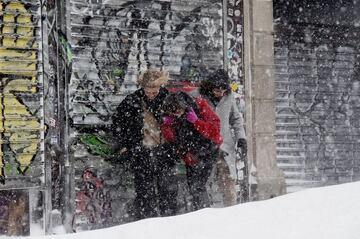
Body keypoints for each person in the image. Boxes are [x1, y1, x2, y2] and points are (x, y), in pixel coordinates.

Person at [111, 69, 178, 220]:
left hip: (165, 153)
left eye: (154, 92)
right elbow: (117, 124)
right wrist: (125, 145)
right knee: (144, 195)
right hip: (141, 154)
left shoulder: (170, 99)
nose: (151, 95)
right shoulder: (132, 100)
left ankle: (170, 226)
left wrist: (175, 145)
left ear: (160, 87)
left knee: (168, 193)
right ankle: (146, 226)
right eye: (148, 91)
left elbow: (181, 122)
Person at [190, 69, 247, 206]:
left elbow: (236, 119)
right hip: (203, 147)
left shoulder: (228, 96)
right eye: (217, 90)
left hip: (224, 147)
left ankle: (230, 212)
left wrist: (241, 138)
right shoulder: (196, 97)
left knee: (227, 183)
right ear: (209, 87)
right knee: (202, 183)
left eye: (223, 90)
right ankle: (205, 213)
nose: (220, 93)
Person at [161, 91, 223, 211]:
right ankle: (199, 212)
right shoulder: (172, 116)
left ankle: (204, 213)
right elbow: (173, 139)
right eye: (173, 112)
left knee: (198, 186)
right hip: (190, 154)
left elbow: (215, 132)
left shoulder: (199, 106)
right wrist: (167, 126)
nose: (176, 114)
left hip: (207, 151)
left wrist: (197, 122)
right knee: (193, 187)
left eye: (178, 110)